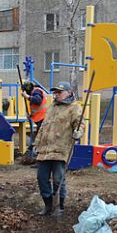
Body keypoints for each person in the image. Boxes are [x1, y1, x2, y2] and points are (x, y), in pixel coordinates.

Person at [35, 81, 83, 216]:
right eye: (55, 92)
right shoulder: (51, 108)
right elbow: (44, 127)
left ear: (69, 93)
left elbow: (79, 124)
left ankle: (59, 206)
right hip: (45, 150)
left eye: (59, 92)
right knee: (41, 178)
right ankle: (48, 205)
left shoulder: (74, 108)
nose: (56, 95)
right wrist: (36, 144)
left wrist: (78, 132)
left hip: (61, 149)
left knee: (58, 179)